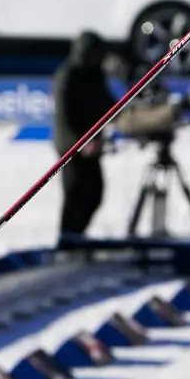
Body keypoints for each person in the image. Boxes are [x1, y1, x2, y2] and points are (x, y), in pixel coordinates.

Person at [52, 31, 118, 241]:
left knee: (95, 193)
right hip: (71, 147)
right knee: (74, 195)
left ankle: (78, 236)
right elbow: (64, 116)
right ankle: (67, 240)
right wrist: (79, 143)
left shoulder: (96, 75)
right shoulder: (67, 76)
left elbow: (110, 105)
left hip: (93, 145)